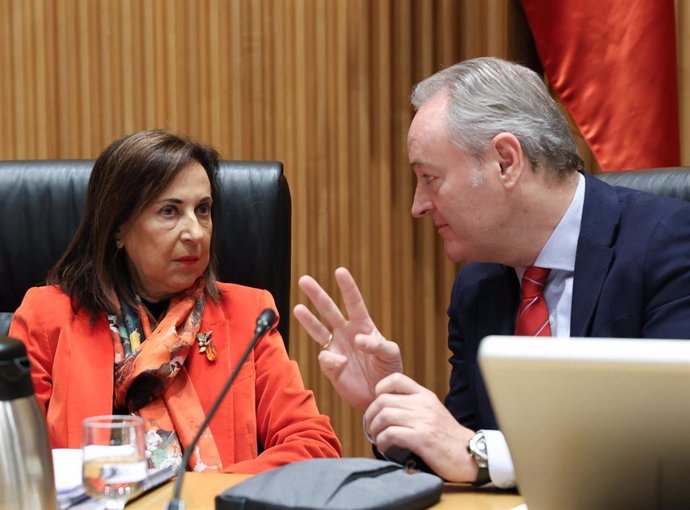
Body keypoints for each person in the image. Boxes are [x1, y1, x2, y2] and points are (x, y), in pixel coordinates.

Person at [293, 57, 690, 488]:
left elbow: (669, 446)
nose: (418, 205)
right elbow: (458, 456)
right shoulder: (477, 286)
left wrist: (480, 454)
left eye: (430, 177)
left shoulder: (668, 246)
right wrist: (390, 402)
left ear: (505, 160)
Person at [9, 129, 341, 474]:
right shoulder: (47, 316)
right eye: (169, 211)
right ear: (118, 228)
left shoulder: (248, 315)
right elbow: (12, 457)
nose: (195, 233)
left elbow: (314, 444)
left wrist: (203, 494)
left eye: (203, 210)